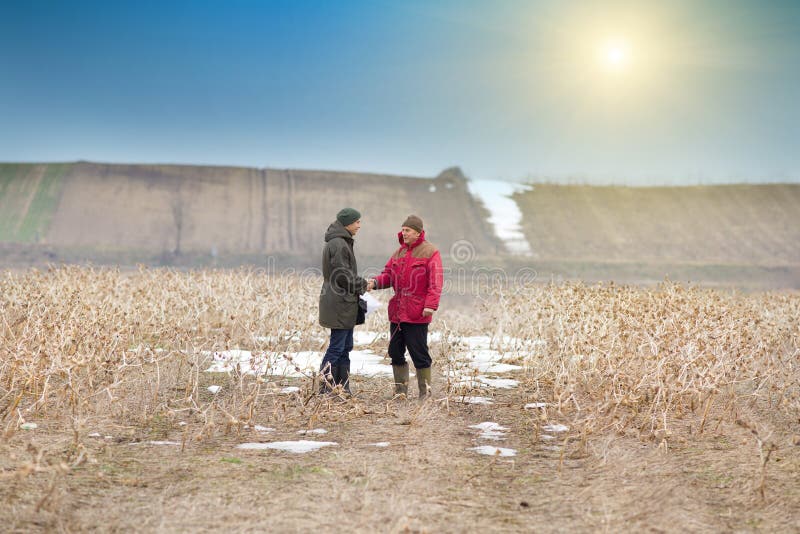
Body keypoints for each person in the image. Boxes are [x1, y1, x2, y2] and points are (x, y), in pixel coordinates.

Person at [370, 215, 443, 399]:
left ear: (418, 232)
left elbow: (436, 283)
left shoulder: (430, 252)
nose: (404, 233)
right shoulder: (398, 253)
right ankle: (400, 392)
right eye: (402, 230)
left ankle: (425, 393)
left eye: (407, 230)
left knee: (419, 354)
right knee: (395, 352)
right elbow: (388, 275)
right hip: (397, 313)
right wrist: (374, 283)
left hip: (417, 312)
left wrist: (430, 306)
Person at [318, 207, 369, 394]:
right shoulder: (339, 244)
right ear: (347, 223)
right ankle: (326, 387)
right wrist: (363, 285)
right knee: (337, 347)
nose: (359, 226)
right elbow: (343, 276)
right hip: (339, 302)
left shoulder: (339, 242)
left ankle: (341, 387)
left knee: (345, 346)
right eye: (357, 222)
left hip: (343, 302)